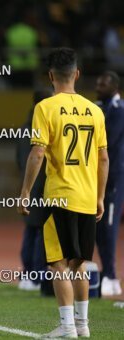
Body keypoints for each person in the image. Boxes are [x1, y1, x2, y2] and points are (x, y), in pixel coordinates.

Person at [18, 48, 109, 338]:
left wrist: (25, 192)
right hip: (86, 196)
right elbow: (104, 158)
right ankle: (83, 325)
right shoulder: (96, 110)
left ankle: (67, 326)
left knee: (57, 263)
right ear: (77, 74)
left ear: (50, 76)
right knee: (79, 263)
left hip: (59, 195)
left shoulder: (45, 107)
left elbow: (37, 152)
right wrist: (99, 197)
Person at [16, 89, 51, 291]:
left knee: (30, 229)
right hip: (42, 185)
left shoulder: (23, 126)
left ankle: (27, 275)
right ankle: (36, 276)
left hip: (28, 184)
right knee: (42, 231)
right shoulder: (43, 125)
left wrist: (25, 183)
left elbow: (19, 159)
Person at [95, 71, 124, 296]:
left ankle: (111, 275)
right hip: (95, 177)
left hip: (113, 177)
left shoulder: (119, 110)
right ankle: (107, 272)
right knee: (97, 227)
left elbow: (110, 139)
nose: (98, 87)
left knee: (109, 227)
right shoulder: (97, 107)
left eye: (102, 84)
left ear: (114, 87)